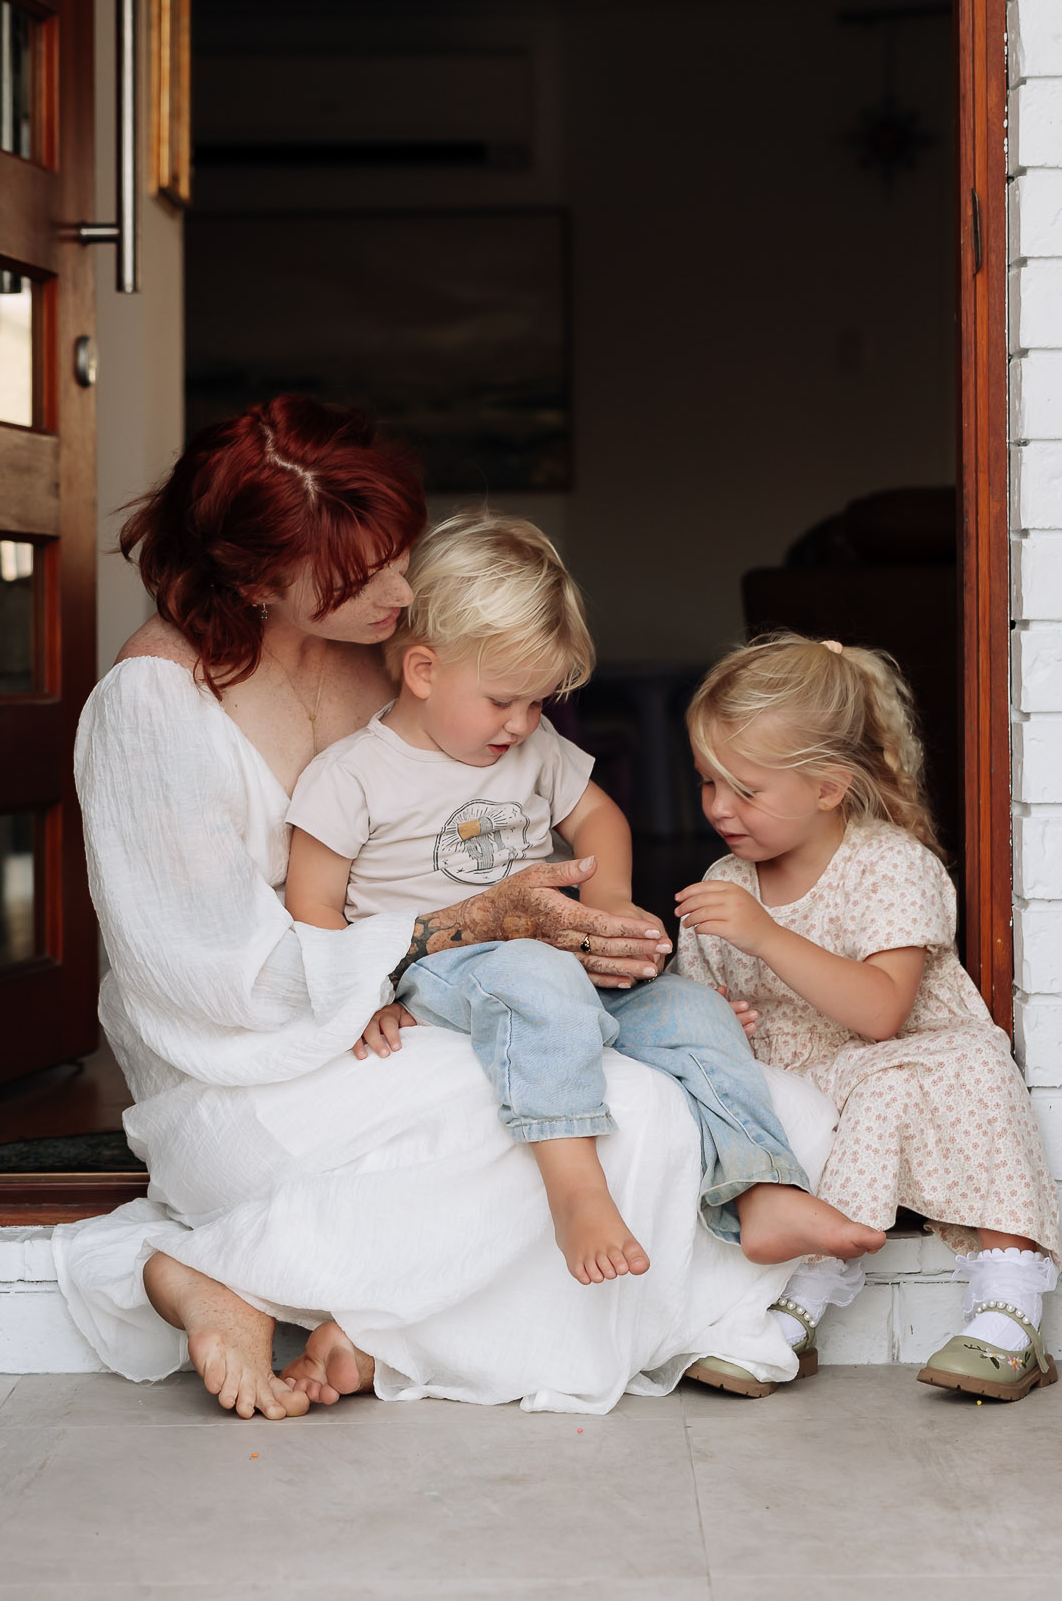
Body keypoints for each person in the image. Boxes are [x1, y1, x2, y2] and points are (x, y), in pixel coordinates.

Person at [53, 398, 834, 1419]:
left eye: (396, 551)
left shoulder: (392, 649)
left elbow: (525, 801)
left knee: (752, 1103)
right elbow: (210, 977)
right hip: (246, 1072)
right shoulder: (152, 711)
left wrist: (601, 956)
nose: (398, 587)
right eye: (355, 577)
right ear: (253, 580)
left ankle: (362, 1322)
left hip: (418, 1015)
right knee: (620, 1115)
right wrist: (464, 930)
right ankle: (207, 1268)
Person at [284, 510, 883, 1287]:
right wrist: (357, 997)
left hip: (552, 953)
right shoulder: (353, 775)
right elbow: (311, 907)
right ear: (423, 671)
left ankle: (761, 1185)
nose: (522, 722)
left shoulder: (531, 747)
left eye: (538, 703)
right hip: (443, 969)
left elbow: (597, 814)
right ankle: (576, 1190)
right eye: (504, 700)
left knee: (689, 1008)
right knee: (534, 980)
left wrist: (611, 906)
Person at [672, 632, 1062, 1401]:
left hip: (909, 1061)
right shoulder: (724, 880)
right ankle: (788, 1313)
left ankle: (1007, 1313)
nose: (719, 808)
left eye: (744, 790)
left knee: (974, 1070)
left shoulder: (890, 864)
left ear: (827, 787)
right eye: (706, 783)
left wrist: (765, 935)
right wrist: (719, 1015)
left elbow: (883, 1013)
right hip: (806, 1081)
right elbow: (698, 1009)